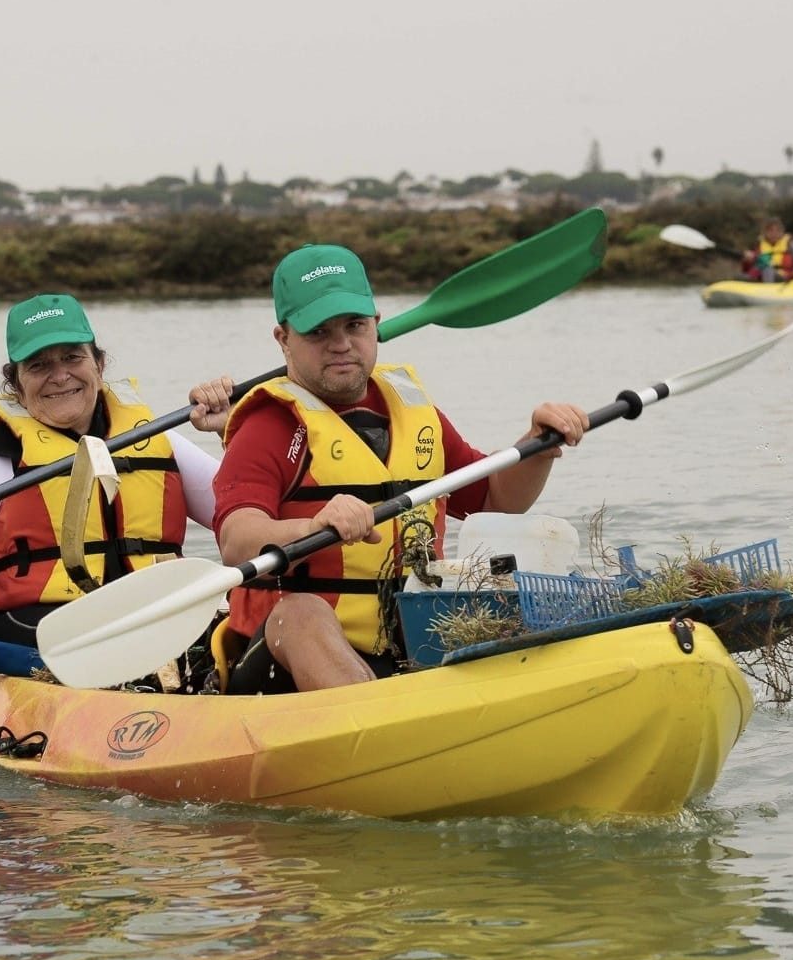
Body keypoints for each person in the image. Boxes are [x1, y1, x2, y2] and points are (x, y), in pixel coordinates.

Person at [211, 243, 590, 695]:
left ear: (376, 324)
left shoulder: (410, 407)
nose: (340, 345)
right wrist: (312, 526)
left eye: (354, 325)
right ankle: (378, 722)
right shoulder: (269, 424)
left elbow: (495, 499)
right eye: (318, 331)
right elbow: (236, 540)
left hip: (409, 647)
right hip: (282, 664)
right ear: (283, 339)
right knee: (302, 612)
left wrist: (537, 444)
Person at [0, 293, 233, 650]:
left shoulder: (156, 440)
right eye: (38, 365)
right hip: (48, 633)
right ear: (16, 384)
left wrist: (229, 430)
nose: (60, 376)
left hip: (157, 615)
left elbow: (249, 520)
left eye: (72, 357)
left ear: (99, 364)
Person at [741, 218, 793, 283]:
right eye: (770, 230)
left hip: (783, 276)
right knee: (742, 276)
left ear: (782, 232)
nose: (774, 233)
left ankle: (768, 291)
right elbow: (748, 268)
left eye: (778, 230)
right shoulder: (759, 244)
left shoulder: (790, 245)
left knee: (767, 268)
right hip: (760, 275)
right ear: (765, 232)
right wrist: (747, 260)